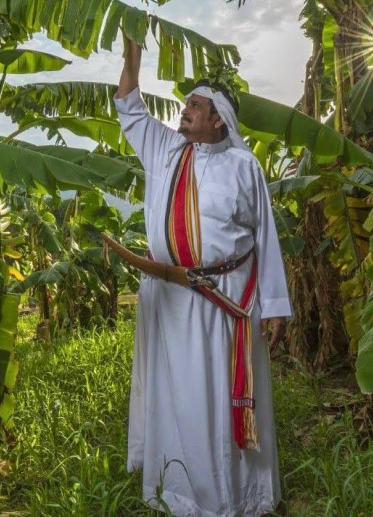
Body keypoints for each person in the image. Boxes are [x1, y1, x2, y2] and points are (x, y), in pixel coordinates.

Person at [114, 38, 292, 517]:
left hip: (228, 301)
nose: (185, 111)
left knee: (221, 398)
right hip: (172, 301)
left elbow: (264, 238)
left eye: (196, 105)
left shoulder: (243, 166)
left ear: (220, 121)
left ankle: (237, 496)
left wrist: (274, 307)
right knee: (180, 400)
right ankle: (182, 493)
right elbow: (129, 108)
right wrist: (133, 56)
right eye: (186, 104)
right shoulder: (167, 152)